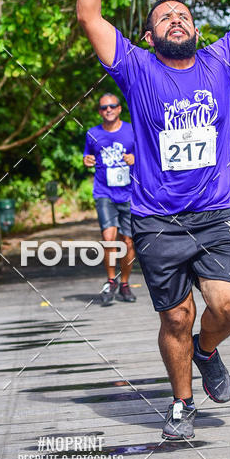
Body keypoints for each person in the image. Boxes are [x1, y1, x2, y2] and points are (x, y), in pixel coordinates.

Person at [76, 0, 230, 439]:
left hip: (212, 213)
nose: (177, 19)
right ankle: (182, 404)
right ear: (148, 35)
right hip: (157, 219)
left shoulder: (219, 61)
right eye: (164, 17)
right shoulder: (137, 69)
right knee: (176, 319)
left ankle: (209, 352)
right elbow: (90, 17)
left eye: (182, 14)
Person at [83, 93, 136, 305]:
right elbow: (88, 156)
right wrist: (86, 160)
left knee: (128, 241)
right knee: (108, 238)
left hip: (129, 193)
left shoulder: (132, 130)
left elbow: (148, 155)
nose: (109, 110)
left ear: (119, 109)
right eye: (104, 107)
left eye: (112, 106)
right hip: (104, 192)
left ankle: (124, 283)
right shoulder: (92, 134)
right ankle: (110, 280)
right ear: (99, 111)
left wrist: (136, 158)